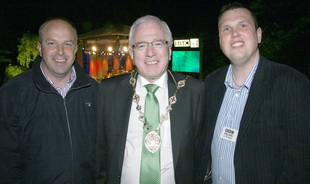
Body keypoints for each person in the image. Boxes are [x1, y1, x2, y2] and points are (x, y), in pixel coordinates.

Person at [196, 2, 310, 184]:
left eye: (243, 25)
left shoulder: (291, 84)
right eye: (226, 29)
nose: (234, 33)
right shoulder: (211, 83)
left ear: (258, 35)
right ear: (220, 40)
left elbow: (300, 165)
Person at [96, 15, 205, 184]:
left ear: (169, 50)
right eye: (141, 45)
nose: (150, 52)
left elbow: (201, 156)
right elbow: (99, 155)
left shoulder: (194, 92)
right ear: (131, 52)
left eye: (158, 43)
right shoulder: (109, 91)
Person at [0, 17, 99, 183]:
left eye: (67, 44)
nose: (60, 51)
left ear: (75, 49)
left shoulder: (95, 92)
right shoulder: (13, 94)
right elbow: (5, 162)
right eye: (52, 43)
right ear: (39, 48)